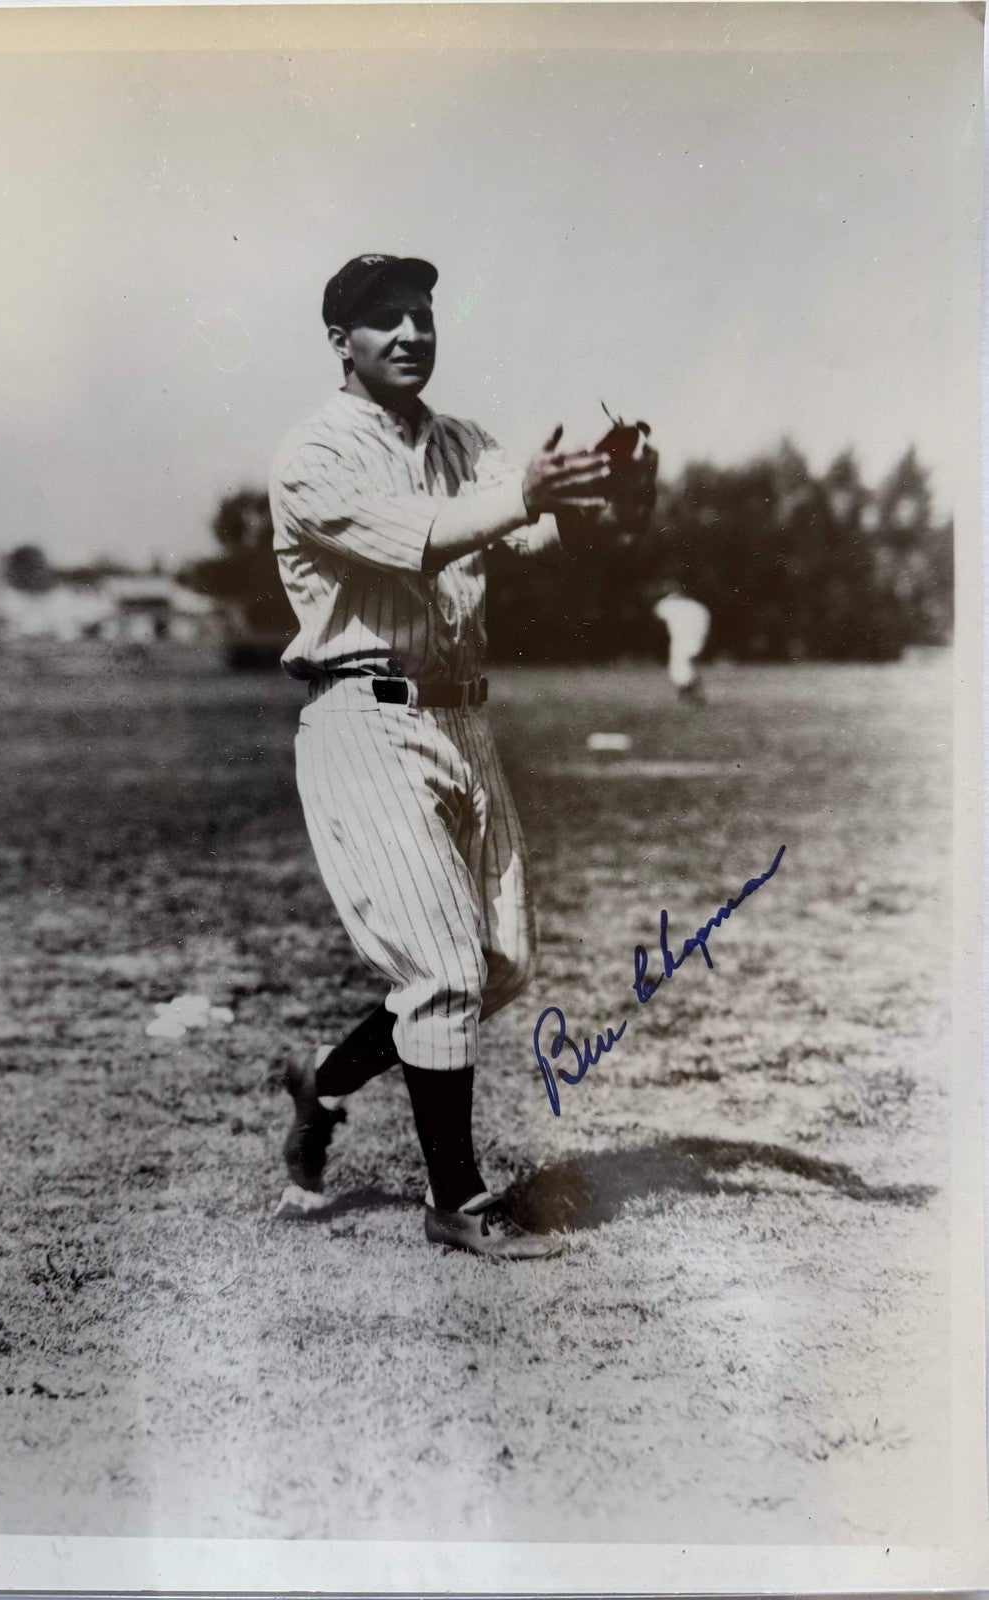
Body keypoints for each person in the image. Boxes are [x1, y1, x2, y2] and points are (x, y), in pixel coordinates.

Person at [267, 253, 656, 1258]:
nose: (408, 334)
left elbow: (533, 534)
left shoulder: (463, 442)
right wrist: (527, 491)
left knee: (497, 964)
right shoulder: (313, 455)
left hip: (461, 722)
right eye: (382, 319)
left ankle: (328, 1080)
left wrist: (610, 496)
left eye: (421, 316)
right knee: (440, 968)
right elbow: (431, 535)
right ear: (340, 342)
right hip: (364, 717)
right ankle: (458, 1201)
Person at [653, 581, 711, 701]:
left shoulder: (673, 606)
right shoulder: (695, 607)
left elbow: (659, 611)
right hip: (691, 640)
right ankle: (691, 695)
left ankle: (692, 695)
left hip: (686, 640)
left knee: (684, 667)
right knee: (687, 666)